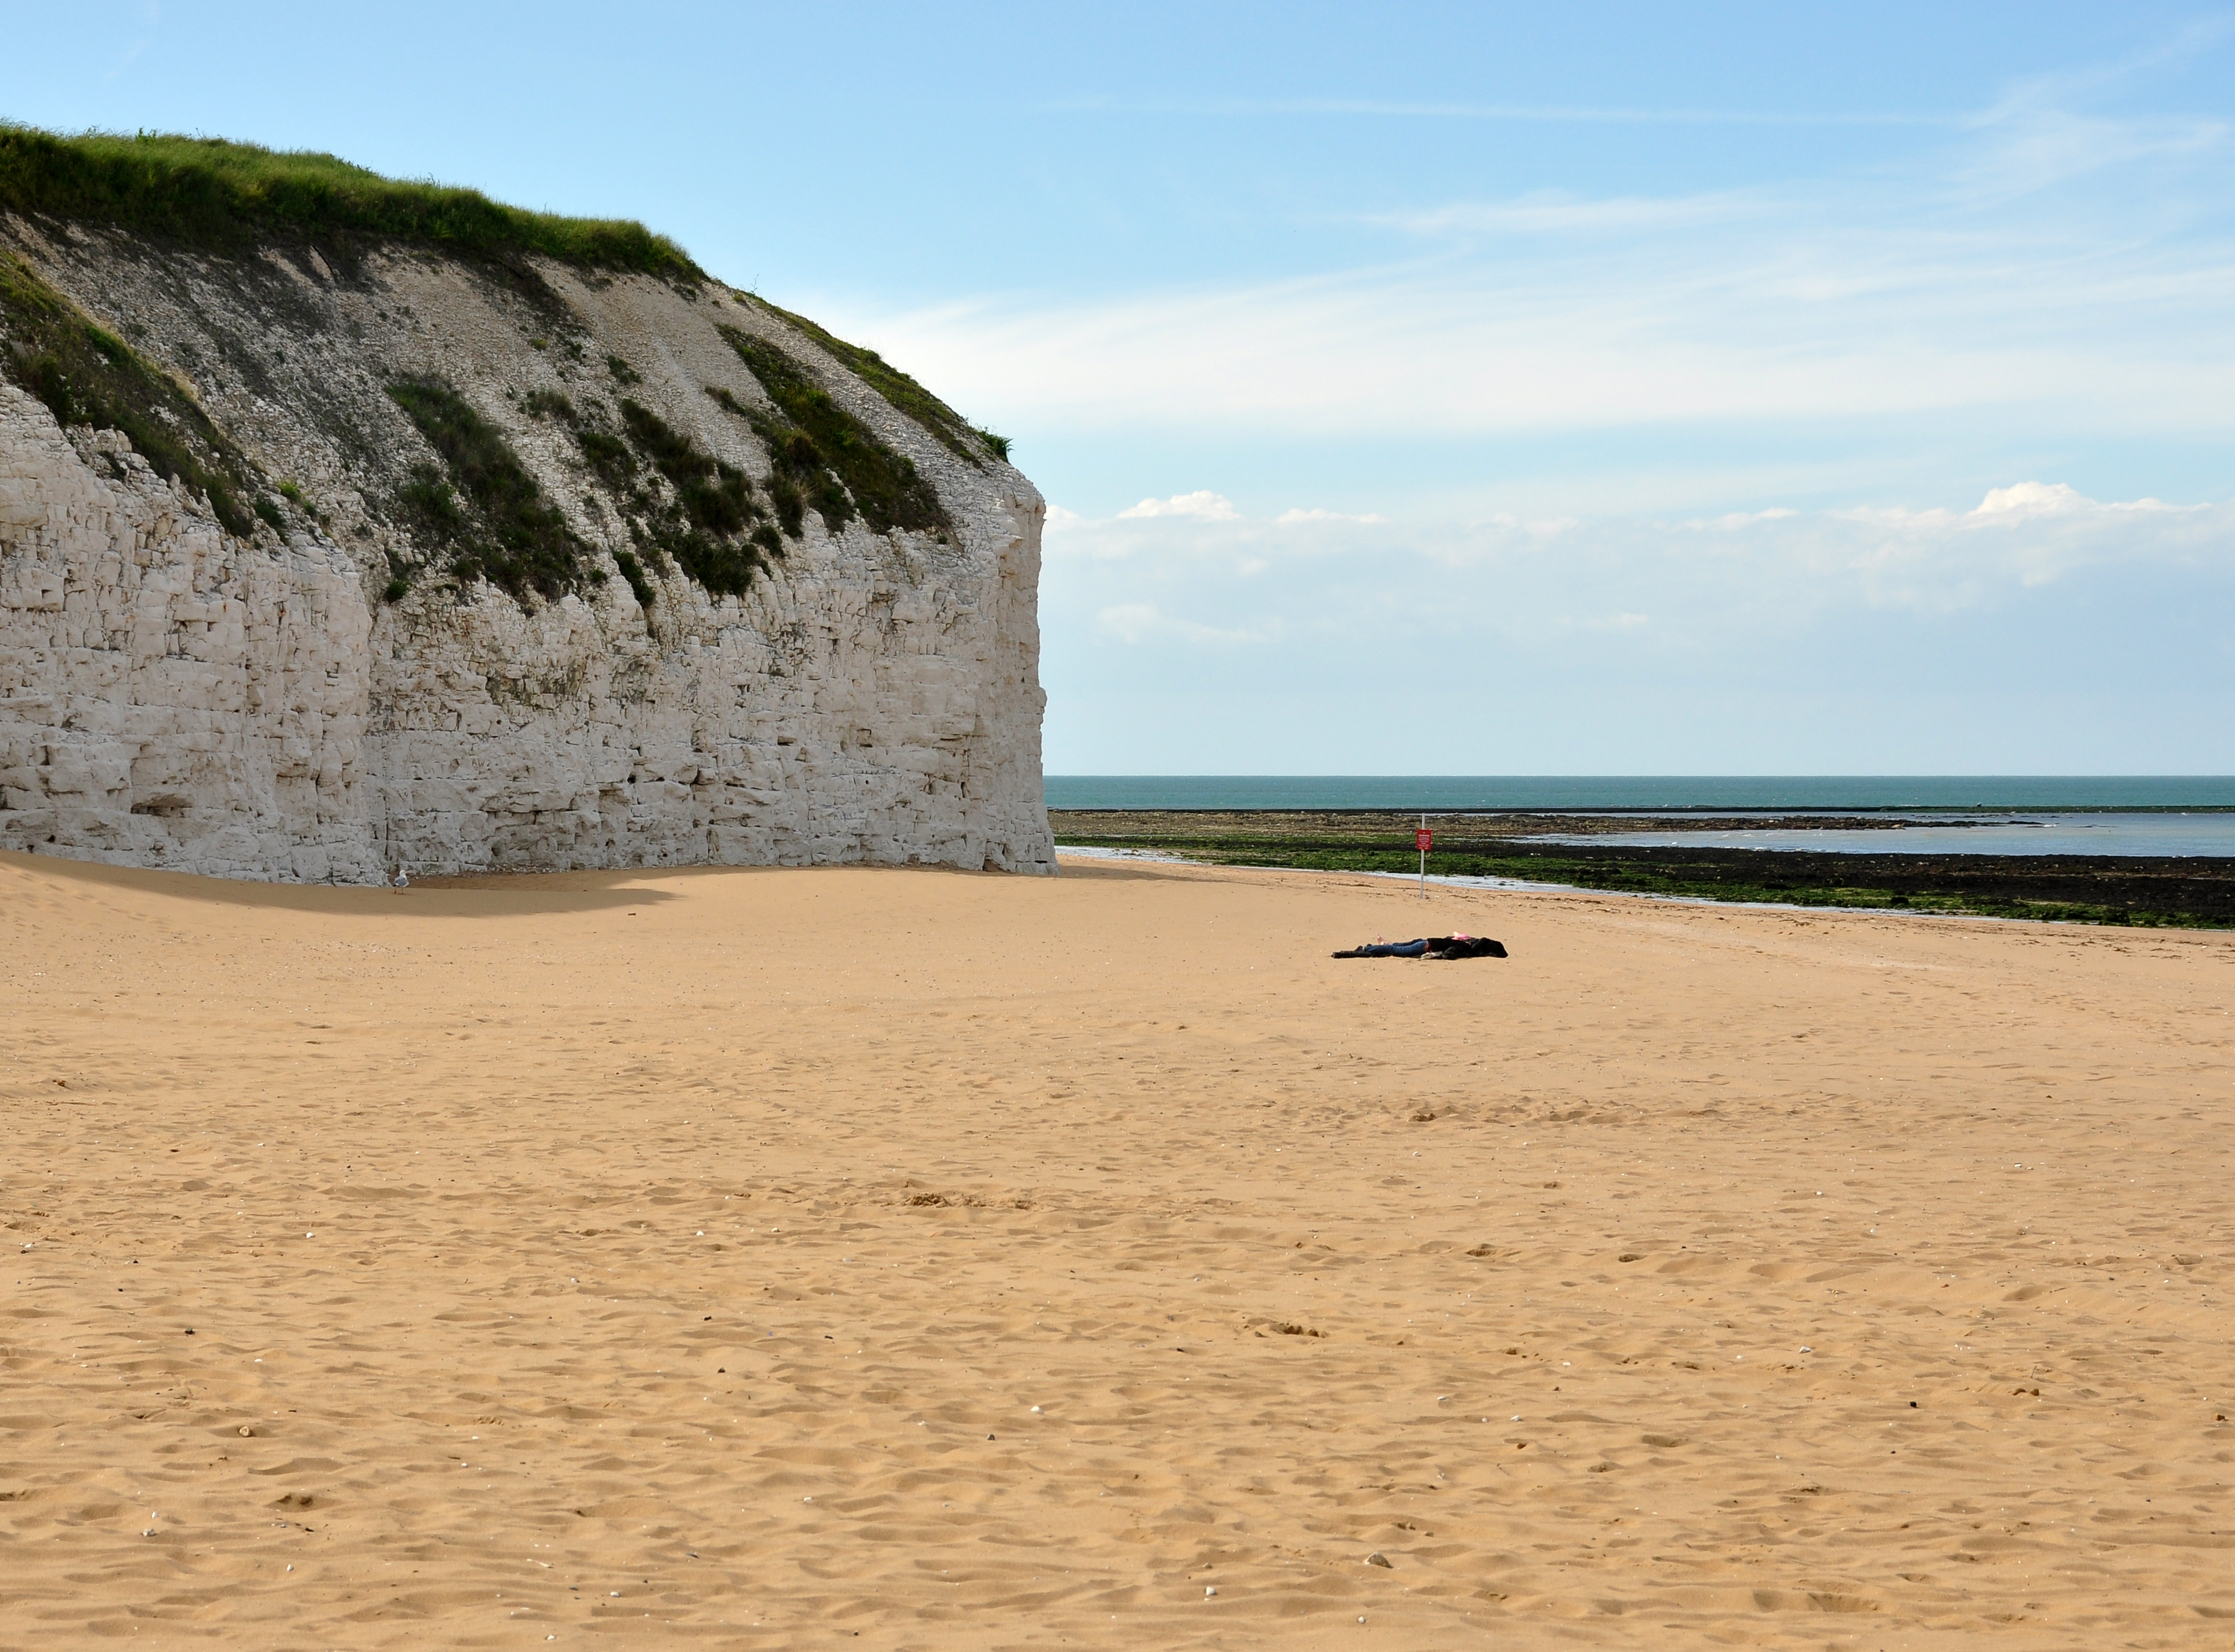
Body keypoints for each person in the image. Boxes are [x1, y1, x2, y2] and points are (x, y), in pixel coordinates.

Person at [1332, 933, 1506, 960]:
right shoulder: (1465, 947)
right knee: (1396, 951)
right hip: (1426, 947)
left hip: (1426, 941)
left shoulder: (1467, 940)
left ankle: (1373, 947)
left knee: (1399, 946)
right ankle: (1367, 950)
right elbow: (1449, 954)